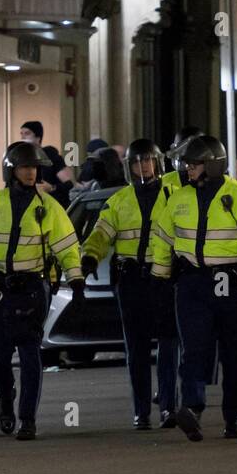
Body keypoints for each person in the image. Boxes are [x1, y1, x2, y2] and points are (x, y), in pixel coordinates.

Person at [148, 135, 237, 440]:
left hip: (231, 283)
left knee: (233, 353)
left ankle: (233, 417)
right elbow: (163, 239)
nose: (186, 169)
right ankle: (192, 408)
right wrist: (159, 277)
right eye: (186, 164)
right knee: (193, 348)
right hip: (192, 283)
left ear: (211, 165)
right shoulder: (178, 199)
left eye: (193, 164)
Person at [0, 142, 85, 440]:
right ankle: (5, 397)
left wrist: (75, 279)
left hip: (32, 290)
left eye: (34, 168)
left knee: (29, 353)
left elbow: (67, 247)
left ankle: (27, 419)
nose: (31, 173)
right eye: (25, 167)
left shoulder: (50, 208)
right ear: (11, 171)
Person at [81, 139, 167, 429]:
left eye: (147, 160)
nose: (142, 166)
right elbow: (101, 233)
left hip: (165, 278)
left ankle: (168, 405)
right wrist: (90, 257)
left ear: (158, 163)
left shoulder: (175, 197)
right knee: (137, 348)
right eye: (136, 162)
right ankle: (141, 411)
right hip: (131, 280)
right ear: (128, 167)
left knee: (170, 343)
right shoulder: (119, 201)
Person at [150, 126, 207, 426]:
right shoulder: (167, 186)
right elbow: (160, 230)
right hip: (174, 273)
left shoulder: (221, 187)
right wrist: (160, 272)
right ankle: (168, 405)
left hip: (202, 276)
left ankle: (190, 402)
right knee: (169, 342)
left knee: (194, 342)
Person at [20, 121, 75, 210]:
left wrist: (51, 188)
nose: (23, 137)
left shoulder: (50, 155)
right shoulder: (20, 160)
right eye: (21, 134)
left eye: (27, 134)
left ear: (38, 138)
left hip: (52, 207)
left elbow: (69, 184)